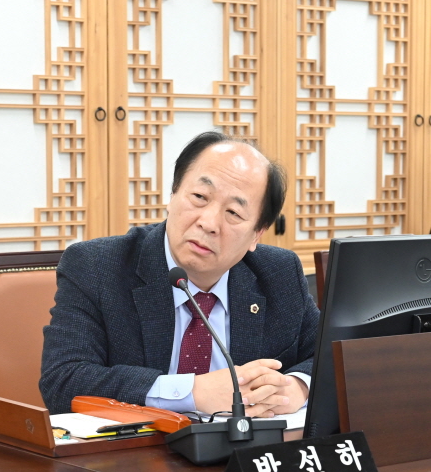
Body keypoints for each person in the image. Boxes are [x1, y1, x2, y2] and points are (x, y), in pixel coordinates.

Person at [39, 131, 319, 417]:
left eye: (234, 213)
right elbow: (63, 381)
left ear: (257, 233)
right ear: (172, 195)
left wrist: (296, 387)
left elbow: (331, 355)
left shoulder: (278, 273)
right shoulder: (98, 266)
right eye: (199, 197)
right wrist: (192, 392)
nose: (209, 223)